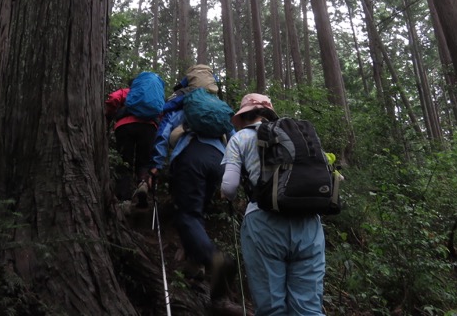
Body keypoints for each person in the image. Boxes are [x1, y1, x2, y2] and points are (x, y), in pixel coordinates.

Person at [221, 93, 327, 315]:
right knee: (308, 307)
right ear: (269, 113)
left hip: (263, 222)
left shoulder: (239, 139)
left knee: (271, 307)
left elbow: (229, 187)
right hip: (308, 222)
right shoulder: (296, 136)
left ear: (243, 116)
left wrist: (227, 196)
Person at [148, 64, 235, 299]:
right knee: (198, 211)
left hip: (191, 157)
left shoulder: (184, 103)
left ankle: (213, 258)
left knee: (187, 215)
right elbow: (234, 138)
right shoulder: (219, 108)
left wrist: (156, 165)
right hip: (218, 160)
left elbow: (164, 134)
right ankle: (195, 265)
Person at [105, 82, 159, 210]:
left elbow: (113, 98)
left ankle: (125, 201)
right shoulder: (152, 96)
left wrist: (109, 115)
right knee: (144, 160)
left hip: (125, 126)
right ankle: (142, 184)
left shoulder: (128, 91)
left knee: (124, 162)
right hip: (148, 127)